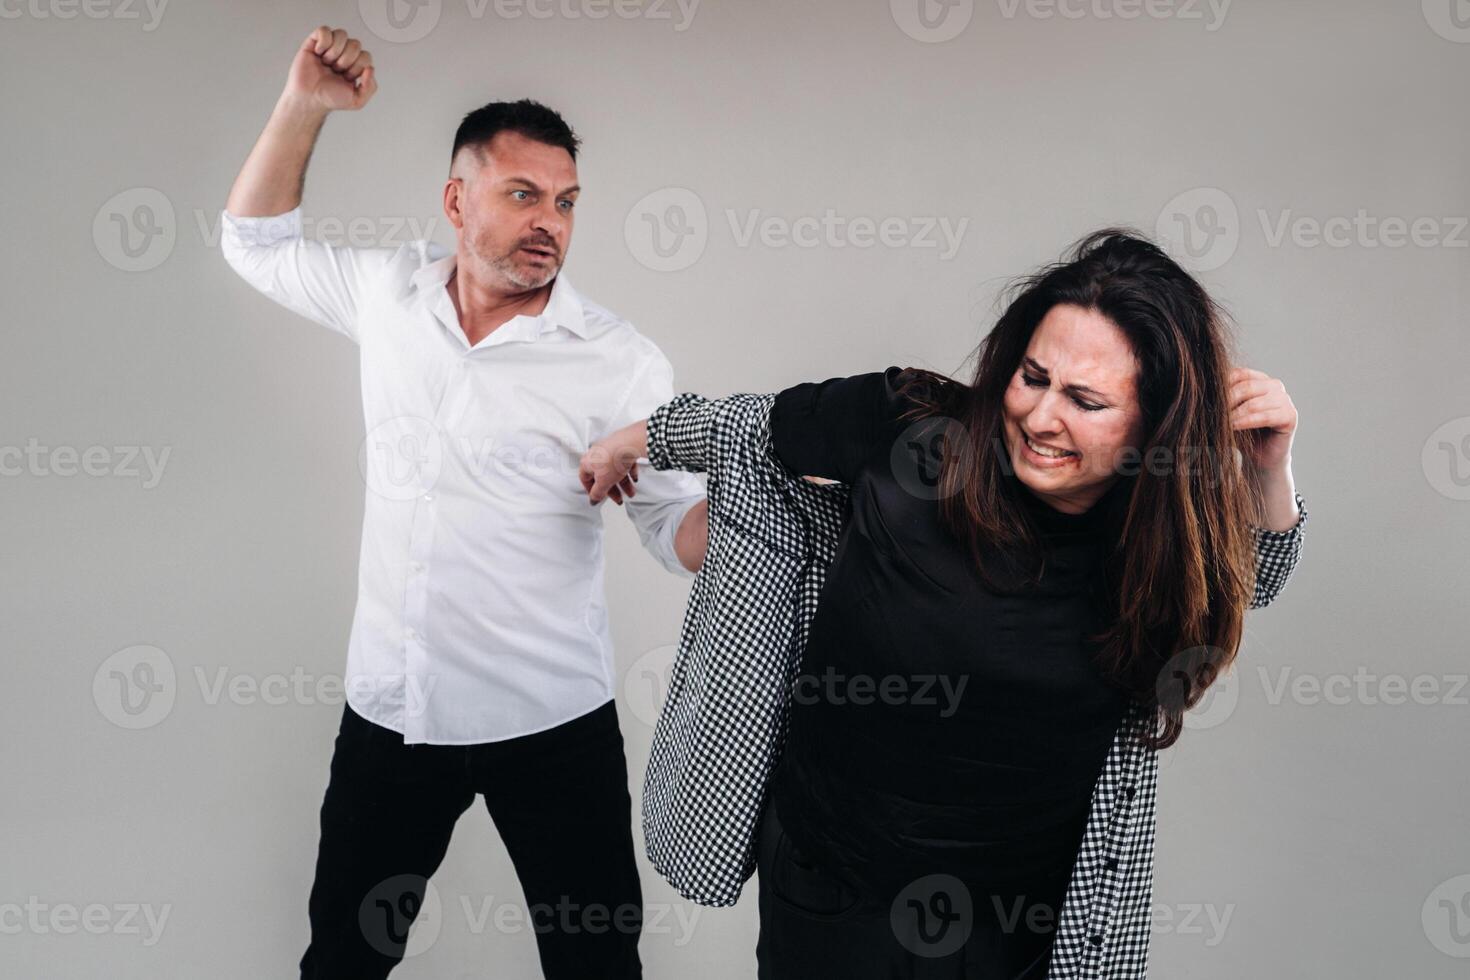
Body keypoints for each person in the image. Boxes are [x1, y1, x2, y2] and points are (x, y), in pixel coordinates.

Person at [579, 230, 1308, 978]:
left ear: (1153, 424)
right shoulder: (909, 429)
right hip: (829, 893)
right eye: (1034, 377)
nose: (1041, 418)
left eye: (1086, 401)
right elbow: (750, 425)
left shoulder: (1154, 540)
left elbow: (1252, 577)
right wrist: (630, 443)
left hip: (1011, 925)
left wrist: (1269, 470)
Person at [219, 26, 708, 980]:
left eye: (566, 202)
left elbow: (672, 525)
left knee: (599, 968)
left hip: (553, 720)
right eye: (523, 194)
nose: (550, 223)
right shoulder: (386, 293)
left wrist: (764, 528)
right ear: (457, 200)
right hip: (393, 709)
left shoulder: (618, 359)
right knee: (345, 962)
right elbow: (253, 243)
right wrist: (304, 105)